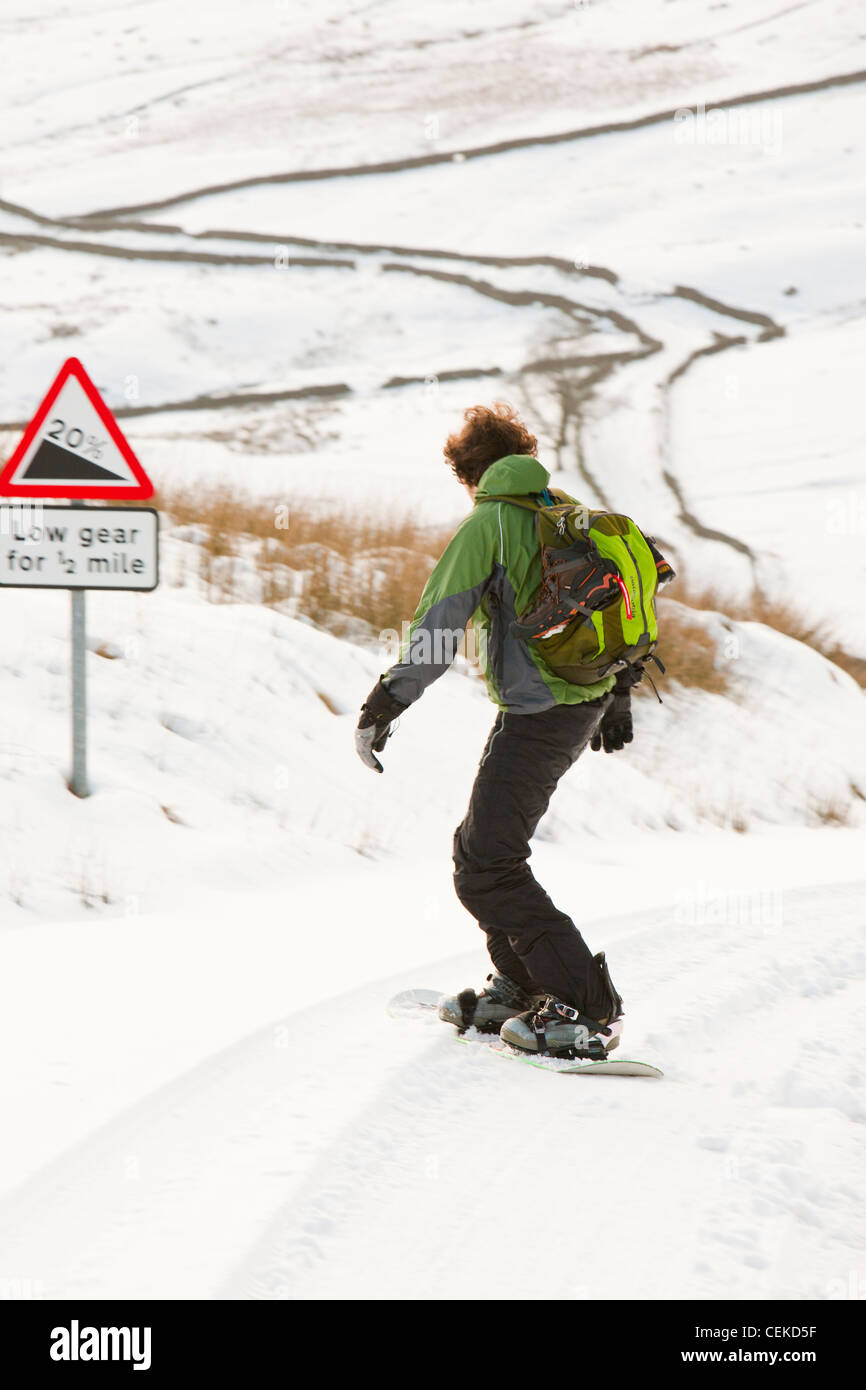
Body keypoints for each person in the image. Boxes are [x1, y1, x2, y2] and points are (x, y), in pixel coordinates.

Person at [354, 402, 636, 1059]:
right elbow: (620, 603)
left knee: (489, 864)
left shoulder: (489, 523)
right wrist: (618, 696)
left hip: (542, 712)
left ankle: (584, 1008)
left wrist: (384, 704)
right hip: (573, 702)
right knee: (477, 850)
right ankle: (520, 986)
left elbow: (436, 630)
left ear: (468, 473)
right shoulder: (560, 509)